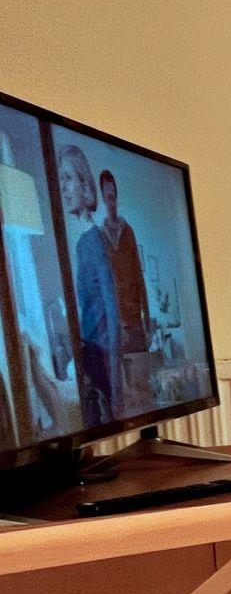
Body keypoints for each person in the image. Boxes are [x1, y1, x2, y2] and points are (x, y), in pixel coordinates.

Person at [56, 143, 115, 427]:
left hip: (98, 351)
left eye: (68, 178)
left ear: (83, 182)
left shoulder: (93, 240)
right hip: (89, 348)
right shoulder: (81, 241)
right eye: (61, 179)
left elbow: (110, 303)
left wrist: (113, 366)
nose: (63, 187)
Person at [98, 168, 157, 412]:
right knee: (122, 388)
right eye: (107, 197)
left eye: (114, 196)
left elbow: (138, 275)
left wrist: (146, 318)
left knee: (143, 383)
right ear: (103, 198)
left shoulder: (128, 230)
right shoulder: (100, 235)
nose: (111, 201)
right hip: (114, 321)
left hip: (134, 318)